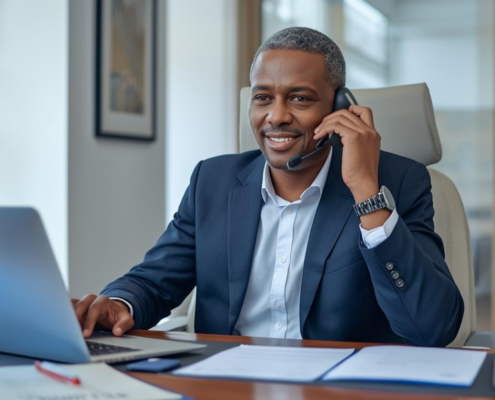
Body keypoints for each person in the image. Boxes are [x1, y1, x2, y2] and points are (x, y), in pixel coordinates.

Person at [73, 27, 463, 347]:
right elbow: (152, 281)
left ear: (340, 107)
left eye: (299, 98)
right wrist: (119, 305)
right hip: (224, 383)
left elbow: (432, 328)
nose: (276, 116)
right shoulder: (213, 181)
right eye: (263, 98)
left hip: (340, 388)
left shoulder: (399, 183)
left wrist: (365, 190)